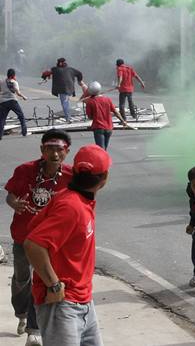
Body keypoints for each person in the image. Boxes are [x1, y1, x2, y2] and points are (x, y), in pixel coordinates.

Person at [24, 144, 111, 346]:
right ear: (104, 178)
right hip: (63, 305)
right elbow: (33, 245)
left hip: (84, 301)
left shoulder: (79, 200)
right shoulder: (71, 207)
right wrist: (53, 285)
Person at [5, 129, 73, 346]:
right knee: (21, 279)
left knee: (42, 279)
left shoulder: (72, 177)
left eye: (59, 149)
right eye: (50, 148)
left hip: (52, 242)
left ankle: (34, 330)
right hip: (23, 236)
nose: (55, 154)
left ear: (67, 151)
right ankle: (21, 313)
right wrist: (14, 203)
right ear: (42, 149)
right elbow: (10, 194)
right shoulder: (25, 170)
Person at [41, 58, 88, 123]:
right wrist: (79, 80)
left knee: (65, 103)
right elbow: (79, 73)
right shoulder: (71, 69)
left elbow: (45, 73)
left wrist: (44, 78)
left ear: (59, 63)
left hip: (63, 89)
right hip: (70, 88)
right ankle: (68, 117)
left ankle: (68, 119)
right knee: (66, 102)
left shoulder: (55, 69)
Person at [84, 81, 128, 150]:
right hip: (109, 128)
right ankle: (105, 159)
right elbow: (116, 112)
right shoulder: (107, 99)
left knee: (101, 150)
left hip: (98, 128)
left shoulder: (90, 102)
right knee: (104, 149)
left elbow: (90, 117)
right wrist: (123, 121)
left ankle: (103, 160)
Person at [0, 68, 29, 140]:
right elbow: (17, 92)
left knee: (2, 119)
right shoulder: (14, 82)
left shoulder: (2, 81)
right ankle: (24, 132)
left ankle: (0, 135)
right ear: (13, 75)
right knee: (21, 116)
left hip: (3, 102)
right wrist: (24, 97)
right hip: (13, 101)